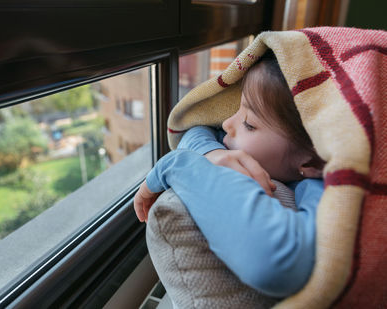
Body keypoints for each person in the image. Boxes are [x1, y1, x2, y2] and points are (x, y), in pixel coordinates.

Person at [133, 51, 326, 298]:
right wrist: (211, 153)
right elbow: (197, 130)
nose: (225, 123)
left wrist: (180, 165)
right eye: (236, 108)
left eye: (249, 124)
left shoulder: (327, 192)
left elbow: (277, 264)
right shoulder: (285, 160)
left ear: (312, 159)